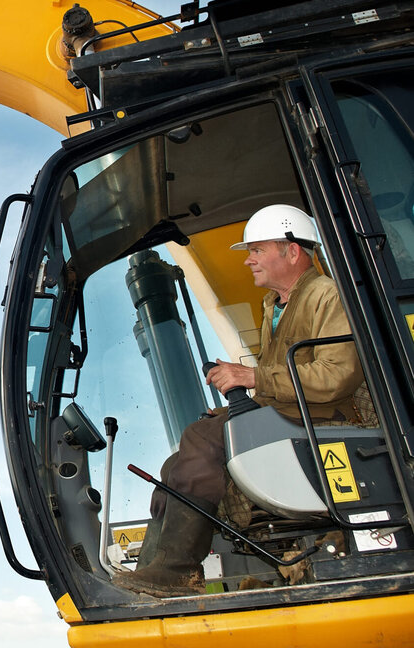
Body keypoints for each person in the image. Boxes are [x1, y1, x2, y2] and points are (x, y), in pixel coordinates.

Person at [113, 204, 365, 597]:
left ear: (291, 250)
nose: (248, 261)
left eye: (257, 250)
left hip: (322, 418)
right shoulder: (275, 306)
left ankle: (177, 571)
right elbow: (276, 380)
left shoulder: (326, 295)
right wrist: (237, 399)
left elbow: (337, 376)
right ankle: (156, 567)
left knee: (200, 438)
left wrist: (251, 376)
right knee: (175, 461)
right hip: (288, 411)